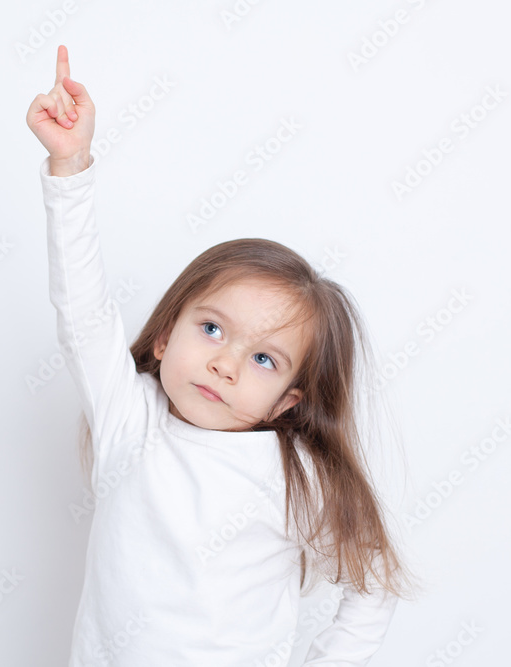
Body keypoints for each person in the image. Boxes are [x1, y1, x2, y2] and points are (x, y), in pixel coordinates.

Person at [27, 44, 417, 666]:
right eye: (212, 329)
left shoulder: (295, 476)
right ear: (164, 338)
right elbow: (82, 316)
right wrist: (69, 167)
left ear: (287, 401)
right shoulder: (130, 418)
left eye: (264, 360)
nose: (226, 364)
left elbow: (372, 581)